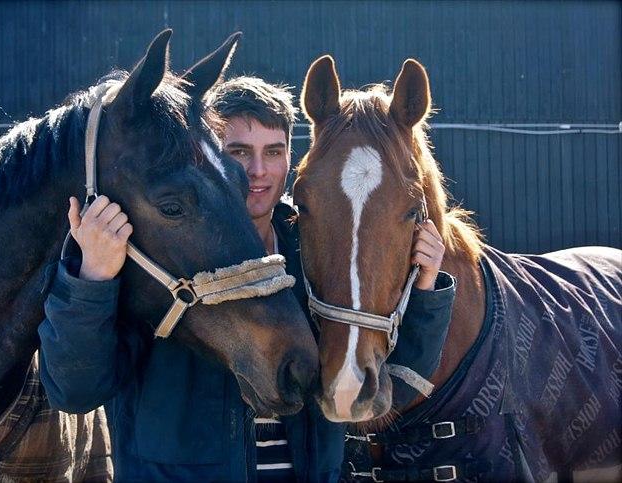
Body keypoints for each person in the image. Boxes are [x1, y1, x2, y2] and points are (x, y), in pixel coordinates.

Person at [38, 76, 456, 482]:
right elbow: (76, 390)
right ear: (209, 155)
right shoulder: (154, 251)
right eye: (238, 151)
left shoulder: (310, 252)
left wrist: (426, 290)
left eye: (274, 152)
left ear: (291, 157)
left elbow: (394, 387)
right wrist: (92, 279)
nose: (259, 170)